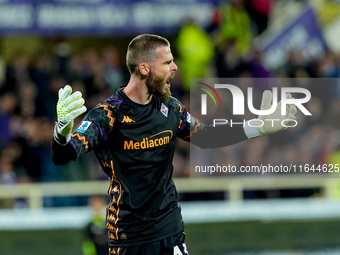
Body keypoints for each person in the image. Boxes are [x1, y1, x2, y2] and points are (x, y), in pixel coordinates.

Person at [51, 34, 297, 255]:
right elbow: (63, 154)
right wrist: (61, 131)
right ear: (145, 68)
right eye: (167, 62)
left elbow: (207, 136)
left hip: (169, 231)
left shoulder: (172, 109)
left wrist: (259, 126)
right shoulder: (107, 115)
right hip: (128, 237)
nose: (175, 67)